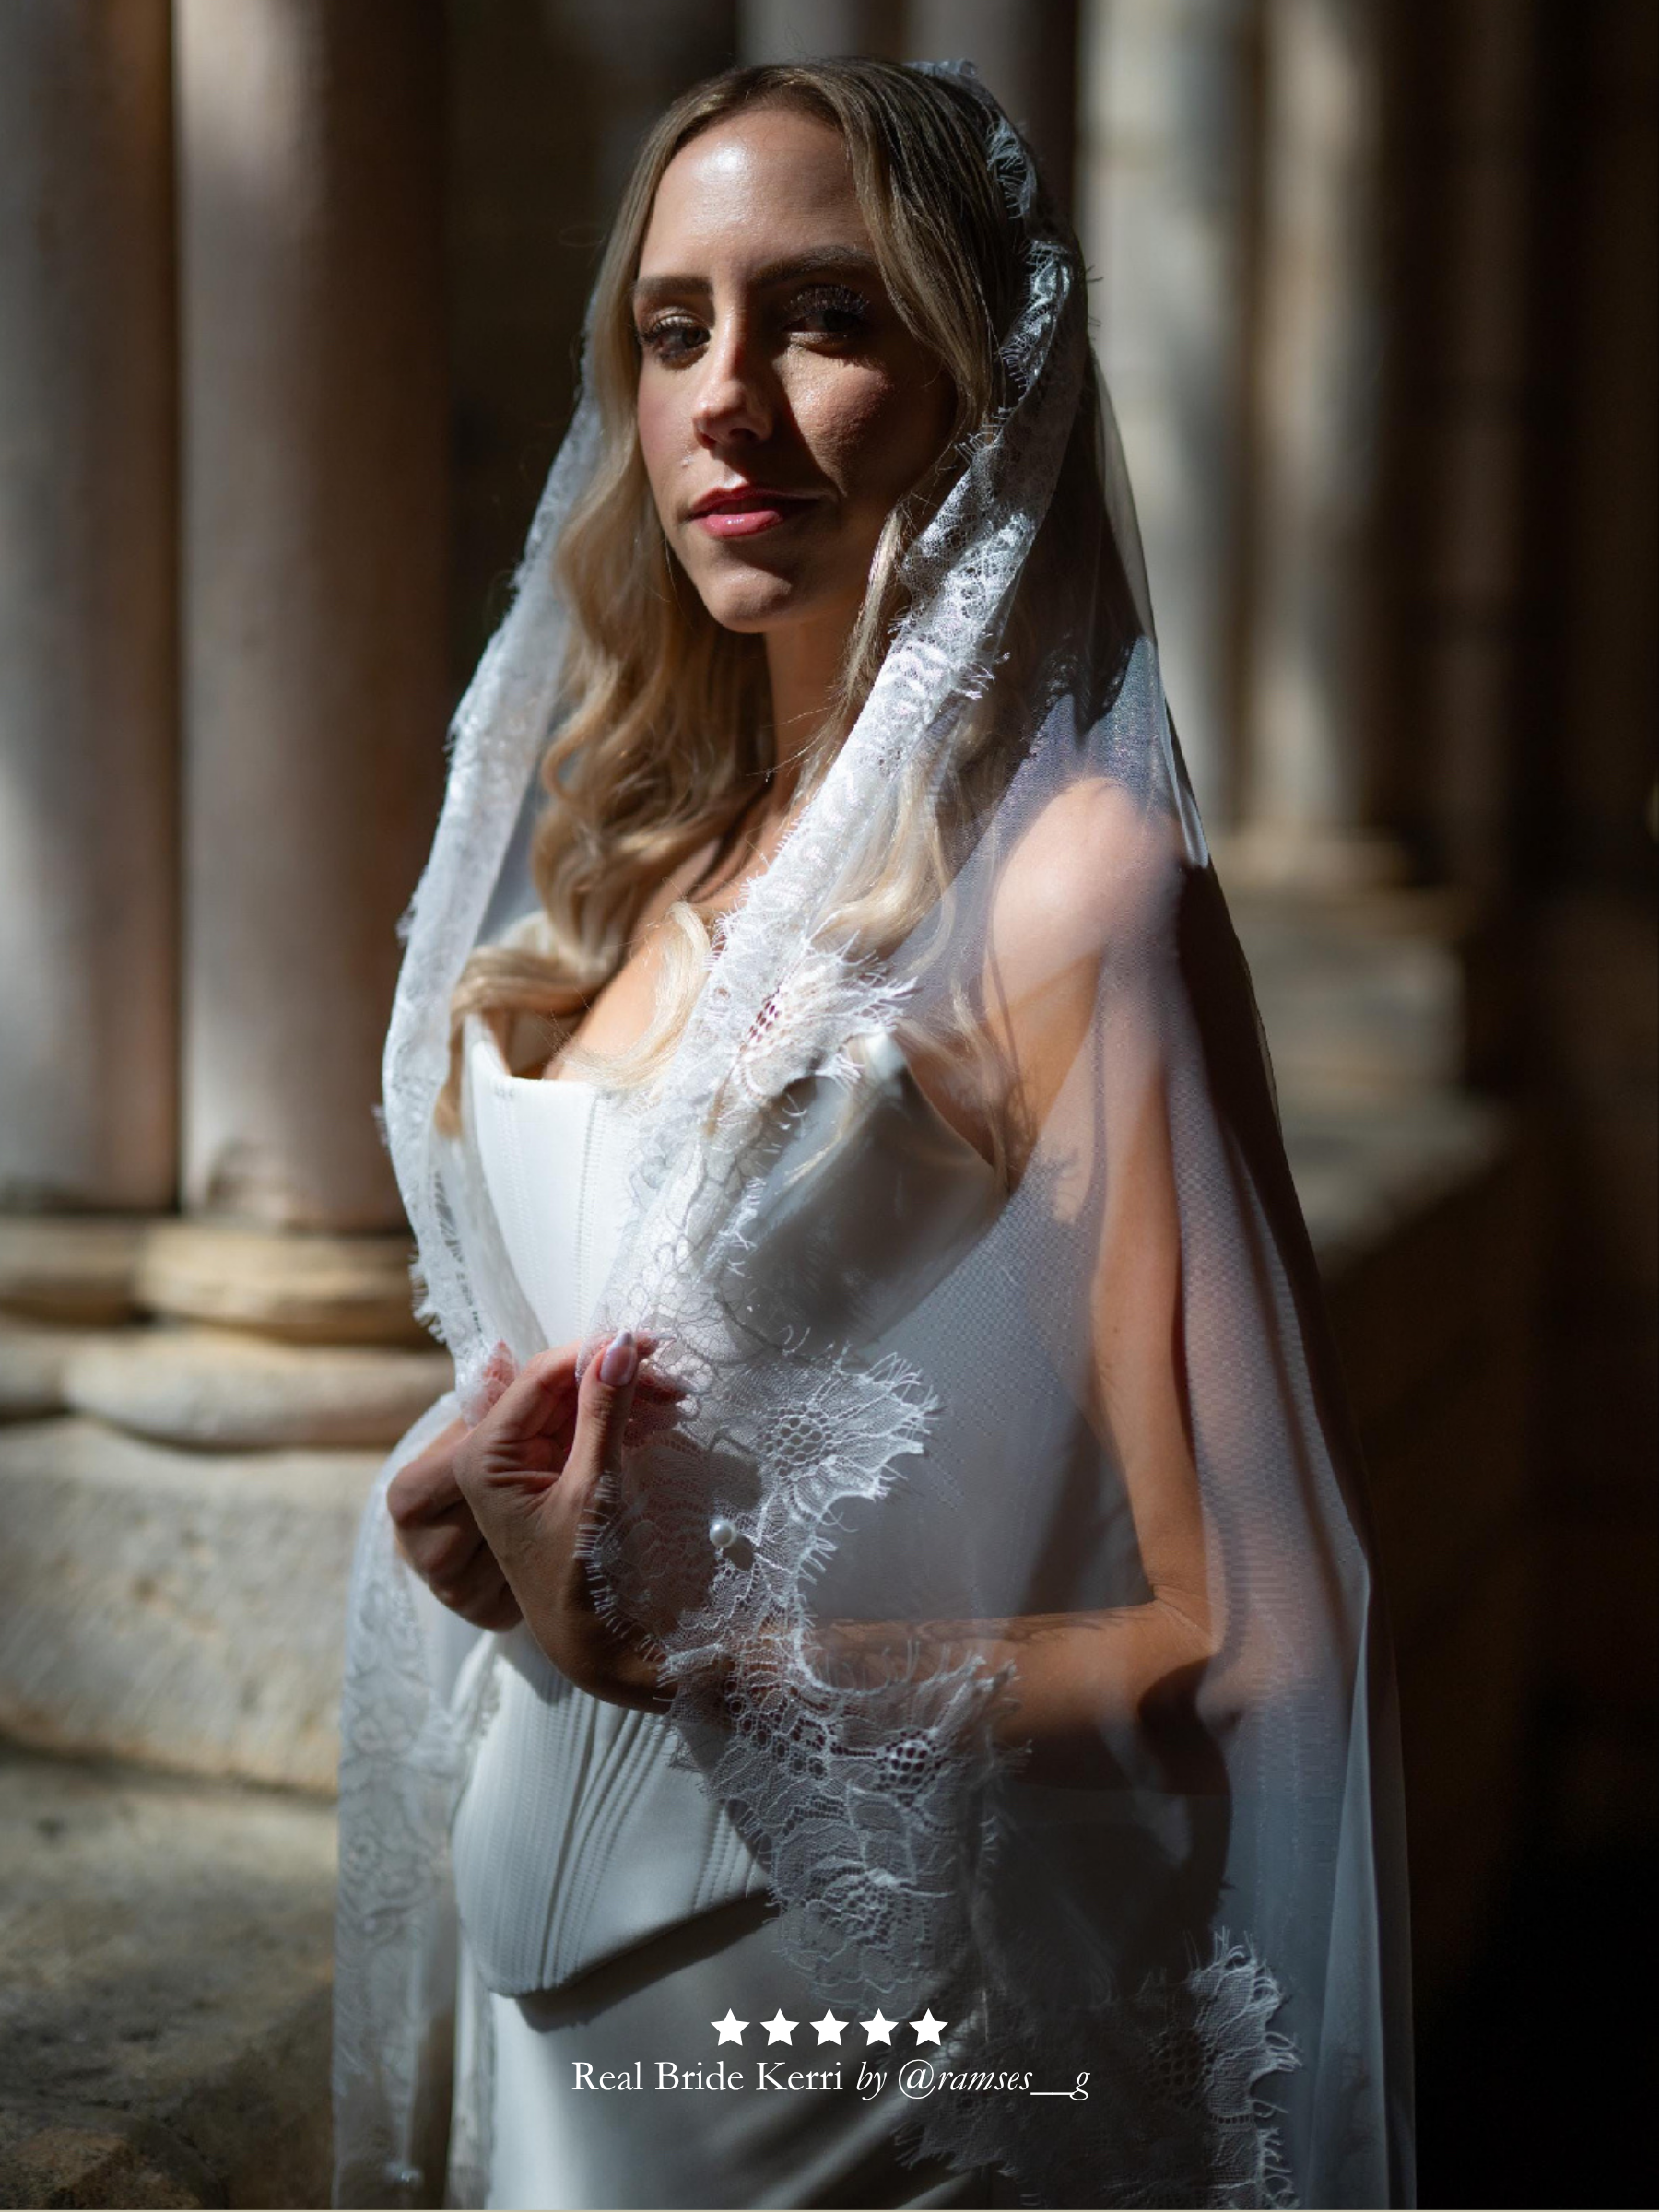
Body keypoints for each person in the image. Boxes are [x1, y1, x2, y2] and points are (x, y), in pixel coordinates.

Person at [332, 57, 1416, 2212]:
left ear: (978, 373)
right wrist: (472, 1513)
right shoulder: (624, 854)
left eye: (820, 316)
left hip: (838, 2045)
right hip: (541, 1991)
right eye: (673, 330)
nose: (726, 400)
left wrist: (712, 1668)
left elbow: (1252, 1628)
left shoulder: (1076, 888)